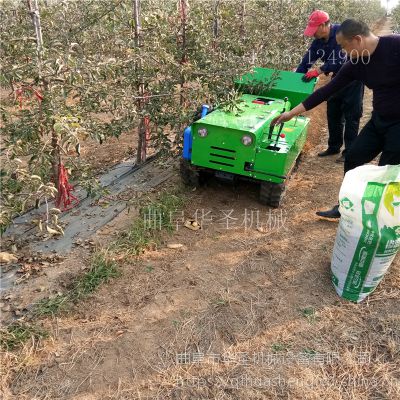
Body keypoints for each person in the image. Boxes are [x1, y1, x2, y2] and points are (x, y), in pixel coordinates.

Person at [272, 19, 400, 218]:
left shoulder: (395, 46)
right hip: (379, 120)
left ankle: (378, 219)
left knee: (386, 172)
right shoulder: (357, 63)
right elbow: (326, 91)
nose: (342, 52)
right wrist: (291, 113)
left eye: (343, 47)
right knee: (353, 156)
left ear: (357, 40)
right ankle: (346, 206)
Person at [296, 10, 364, 163]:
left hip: (353, 79)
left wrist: (318, 71)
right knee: (333, 112)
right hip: (337, 79)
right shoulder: (319, 40)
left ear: (323, 26)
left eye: (314, 30)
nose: (313, 34)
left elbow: (339, 60)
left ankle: (349, 152)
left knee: (351, 116)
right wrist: (296, 77)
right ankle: (334, 147)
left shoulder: (342, 33)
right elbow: (309, 58)